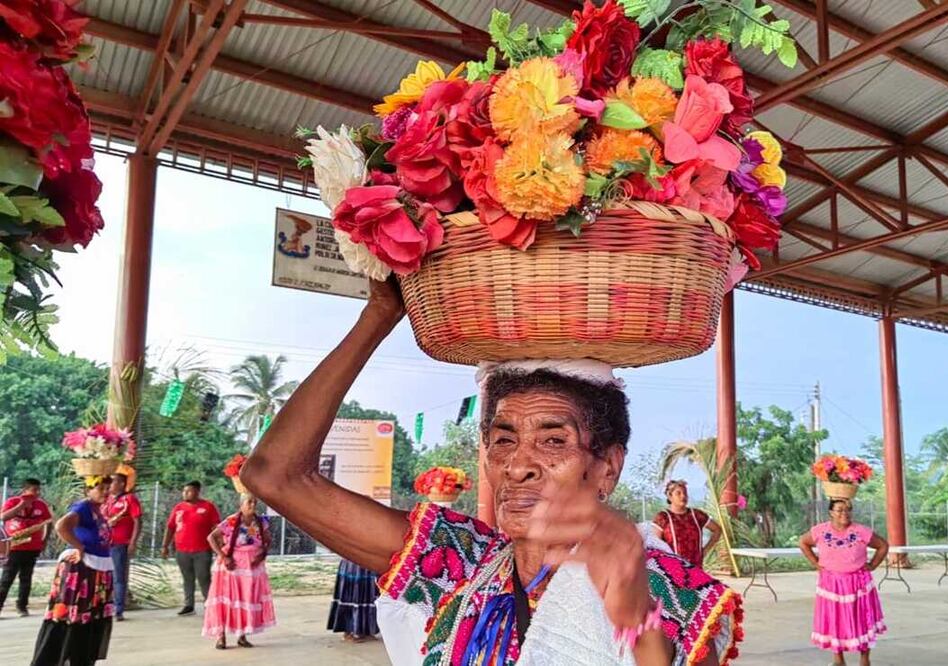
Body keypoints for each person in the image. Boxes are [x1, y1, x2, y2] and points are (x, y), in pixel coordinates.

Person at [242, 279, 743, 665]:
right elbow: (274, 476)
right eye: (503, 440)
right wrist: (380, 314)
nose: (519, 465)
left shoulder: (671, 592)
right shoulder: (457, 563)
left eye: (553, 441)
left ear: (607, 466)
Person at [30, 475, 114, 666]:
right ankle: (62, 658)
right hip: (81, 570)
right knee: (72, 614)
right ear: (87, 490)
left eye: (108, 488)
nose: (106, 492)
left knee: (90, 614)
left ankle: (80, 658)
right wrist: (79, 546)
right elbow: (62, 526)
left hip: (96, 570)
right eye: (101, 488)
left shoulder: (97, 510)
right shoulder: (82, 507)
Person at [798, 498, 889, 666]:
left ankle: (864, 659)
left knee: (862, 620)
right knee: (835, 620)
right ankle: (838, 659)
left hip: (858, 583)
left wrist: (873, 565)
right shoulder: (820, 531)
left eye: (848, 510)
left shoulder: (861, 531)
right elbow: (803, 542)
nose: (844, 513)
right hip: (831, 584)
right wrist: (816, 563)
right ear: (831, 512)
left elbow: (883, 545)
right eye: (839, 510)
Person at [203, 493, 275, 650]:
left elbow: (268, 539)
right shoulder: (231, 521)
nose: (252, 505)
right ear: (241, 505)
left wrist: (262, 553)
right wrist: (223, 556)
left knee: (246, 599)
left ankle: (242, 636)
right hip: (232, 567)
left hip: (252, 567)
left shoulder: (261, 522)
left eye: (255, 502)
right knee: (226, 600)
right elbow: (211, 538)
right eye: (249, 502)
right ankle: (220, 637)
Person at [162, 481, 220, 616]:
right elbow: (170, 527)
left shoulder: (208, 507)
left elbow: (216, 527)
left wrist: (220, 546)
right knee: (187, 578)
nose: (185, 493)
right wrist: (165, 545)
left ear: (197, 492)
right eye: (184, 491)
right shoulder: (178, 508)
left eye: (189, 491)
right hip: (182, 550)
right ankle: (189, 605)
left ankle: (209, 604)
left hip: (202, 550)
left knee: (203, 577)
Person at [0, 478, 52, 618]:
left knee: (26, 578)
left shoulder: (41, 505)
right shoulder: (13, 502)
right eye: (34, 490)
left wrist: (44, 540)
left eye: (38, 490)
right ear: (25, 490)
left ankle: (22, 606)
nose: (37, 493)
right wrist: (22, 505)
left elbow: (48, 522)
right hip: (14, 547)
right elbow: (3, 517)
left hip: (33, 546)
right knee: (7, 578)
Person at [653, 480, 723, 568]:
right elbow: (655, 544)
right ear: (670, 496)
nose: (683, 496)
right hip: (673, 570)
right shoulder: (663, 517)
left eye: (685, 493)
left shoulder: (697, 515)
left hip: (695, 568)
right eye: (678, 493)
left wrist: (705, 551)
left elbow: (717, 530)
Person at [104, 472, 142, 621]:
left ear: (121, 484)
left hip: (120, 543)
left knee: (119, 577)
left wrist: (133, 542)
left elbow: (138, 521)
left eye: (113, 482)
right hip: (104, 543)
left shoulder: (129, 499)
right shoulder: (106, 499)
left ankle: (118, 609)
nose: (110, 485)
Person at [327, 559, 380, 642]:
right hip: (355, 561)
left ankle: (364, 631)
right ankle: (350, 631)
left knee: (368, 595)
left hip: (368, 562)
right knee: (354, 595)